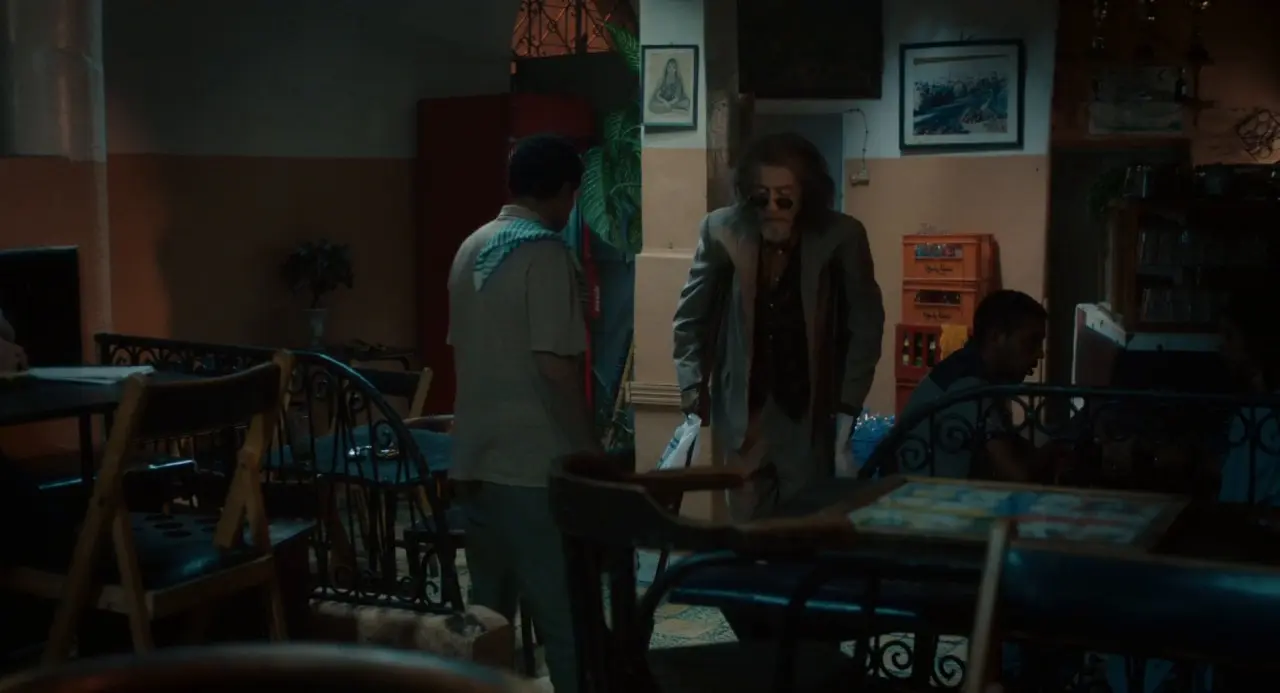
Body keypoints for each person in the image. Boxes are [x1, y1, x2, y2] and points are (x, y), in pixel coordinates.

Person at [446, 134, 597, 693]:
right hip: (533, 466)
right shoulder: (546, 255)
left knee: (487, 618)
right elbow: (556, 368)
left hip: (474, 459)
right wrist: (589, 452)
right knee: (564, 618)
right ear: (564, 191)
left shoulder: (472, 247)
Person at [672, 131, 885, 521]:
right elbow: (691, 317)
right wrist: (691, 387)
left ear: (807, 195)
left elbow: (866, 326)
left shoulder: (842, 236)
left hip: (808, 414)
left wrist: (846, 408)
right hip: (744, 414)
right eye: (761, 196)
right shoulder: (721, 230)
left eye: (784, 197)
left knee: (803, 525)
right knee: (747, 528)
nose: (772, 208)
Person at [897, 289, 1047, 481]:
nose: (1040, 354)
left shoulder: (966, 370)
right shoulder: (968, 386)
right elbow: (1018, 475)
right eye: (1031, 342)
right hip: (924, 495)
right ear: (996, 337)